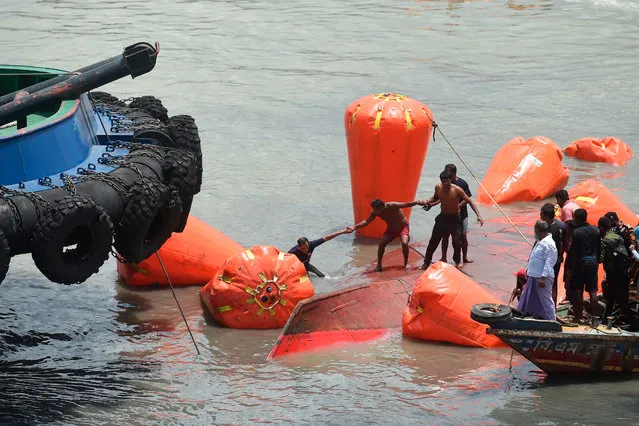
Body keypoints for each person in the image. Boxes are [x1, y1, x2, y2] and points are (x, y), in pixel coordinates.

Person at [420, 170, 484, 270]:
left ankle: (457, 262)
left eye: (447, 181)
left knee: (456, 241)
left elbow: (470, 201)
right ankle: (426, 262)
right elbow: (435, 197)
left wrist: (478, 215)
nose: (445, 184)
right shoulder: (438, 187)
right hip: (443, 217)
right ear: (440, 181)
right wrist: (427, 201)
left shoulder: (457, 190)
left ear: (451, 180)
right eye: (443, 182)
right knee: (433, 241)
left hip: (454, 218)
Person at [349, 198, 424, 272]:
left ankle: (405, 263)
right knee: (382, 244)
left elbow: (407, 204)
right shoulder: (375, 212)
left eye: (375, 209)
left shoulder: (392, 205)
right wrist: (354, 227)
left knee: (404, 243)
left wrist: (418, 202)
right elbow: (366, 221)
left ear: (382, 207)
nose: (374, 211)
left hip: (403, 227)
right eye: (373, 209)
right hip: (391, 229)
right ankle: (379, 265)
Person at [517, 220, 558, 321]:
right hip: (534, 276)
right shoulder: (541, 242)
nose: (535, 234)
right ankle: (527, 316)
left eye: (535, 232)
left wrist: (543, 278)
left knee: (545, 300)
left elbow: (549, 262)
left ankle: (552, 321)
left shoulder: (548, 244)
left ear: (540, 231)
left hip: (542, 278)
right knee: (527, 297)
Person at [565, 209, 600, 322]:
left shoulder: (577, 232)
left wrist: (569, 269)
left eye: (574, 217)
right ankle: (595, 318)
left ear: (577, 218)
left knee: (578, 290)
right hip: (593, 263)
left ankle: (578, 317)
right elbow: (599, 249)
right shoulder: (596, 230)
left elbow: (573, 253)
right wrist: (597, 262)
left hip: (580, 264)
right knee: (593, 291)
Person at [598, 216, 632, 321]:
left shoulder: (605, 240)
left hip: (613, 273)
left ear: (601, 228)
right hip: (624, 271)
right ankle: (605, 318)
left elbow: (600, 259)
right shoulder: (618, 237)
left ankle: (634, 321)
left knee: (620, 300)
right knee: (612, 296)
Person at [440, 164, 474, 264]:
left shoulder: (462, 183)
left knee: (463, 236)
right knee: (445, 236)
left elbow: (468, 199)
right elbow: (439, 197)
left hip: (462, 214)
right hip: (447, 214)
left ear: (454, 173)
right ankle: (444, 257)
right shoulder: (445, 183)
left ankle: (465, 257)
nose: (447, 175)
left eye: (449, 173)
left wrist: (457, 206)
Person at [540, 203, 567, 306]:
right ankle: (552, 307)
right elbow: (565, 242)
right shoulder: (561, 225)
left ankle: (546, 307)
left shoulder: (545, 228)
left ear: (545, 216)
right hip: (557, 259)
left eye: (541, 214)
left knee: (545, 283)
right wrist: (560, 255)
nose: (540, 216)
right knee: (553, 283)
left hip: (547, 260)